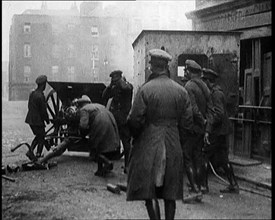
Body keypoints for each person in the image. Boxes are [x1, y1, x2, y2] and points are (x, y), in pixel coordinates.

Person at [126, 49, 193, 220]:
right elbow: (187, 124)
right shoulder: (181, 91)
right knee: (170, 193)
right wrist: (180, 143)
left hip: (150, 144)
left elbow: (135, 120)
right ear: (166, 66)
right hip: (173, 143)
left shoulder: (145, 90)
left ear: (152, 66)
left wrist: (137, 137)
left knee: (150, 193)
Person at [201, 68, 239, 193]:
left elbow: (218, 114)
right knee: (223, 159)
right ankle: (233, 184)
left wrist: (208, 128)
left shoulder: (216, 94)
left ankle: (203, 187)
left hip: (217, 132)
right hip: (222, 131)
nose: (203, 82)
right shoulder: (217, 92)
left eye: (204, 80)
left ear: (208, 81)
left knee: (205, 156)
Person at [182, 60, 214, 202]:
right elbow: (211, 110)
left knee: (187, 157)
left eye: (186, 71)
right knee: (198, 157)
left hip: (192, 128)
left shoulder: (189, 86)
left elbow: (193, 109)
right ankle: (201, 186)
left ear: (189, 71)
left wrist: (202, 121)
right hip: (201, 130)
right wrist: (207, 128)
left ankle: (195, 189)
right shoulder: (205, 86)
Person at [77, 95, 121, 177]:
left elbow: (83, 125)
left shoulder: (84, 109)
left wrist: (82, 134)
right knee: (100, 147)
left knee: (94, 147)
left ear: (80, 105)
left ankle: (108, 163)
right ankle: (100, 170)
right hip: (110, 118)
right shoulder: (98, 105)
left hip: (100, 121)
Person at [102, 70, 133, 174]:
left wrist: (119, 81)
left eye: (116, 79)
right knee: (110, 140)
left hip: (124, 119)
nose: (114, 81)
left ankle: (127, 165)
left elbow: (126, 88)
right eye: (113, 79)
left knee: (126, 142)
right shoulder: (114, 87)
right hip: (114, 119)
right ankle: (108, 163)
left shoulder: (127, 86)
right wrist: (110, 85)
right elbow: (104, 96)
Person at [25, 75, 50, 160]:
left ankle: (31, 151)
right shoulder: (40, 96)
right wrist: (47, 120)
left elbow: (29, 106)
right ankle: (38, 154)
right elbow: (43, 111)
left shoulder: (32, 94)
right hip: (37, 120)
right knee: (41, 137)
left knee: (39, 136)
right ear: (43, 85)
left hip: (30, 119)